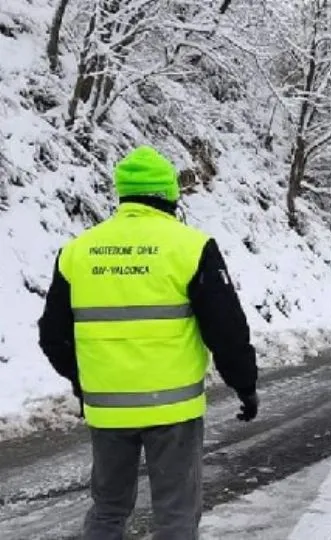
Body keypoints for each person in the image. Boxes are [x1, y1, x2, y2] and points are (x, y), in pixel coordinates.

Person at [37, 145, 260, 540]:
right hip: (173, 408)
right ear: (169, 194)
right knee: (175, 513)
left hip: (107, 407)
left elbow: (52, 335)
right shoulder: (190, 247)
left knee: (107, 509)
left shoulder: (77, 251)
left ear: (121, 194)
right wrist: (244, 385)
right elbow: (226, 328)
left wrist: (84, 380)